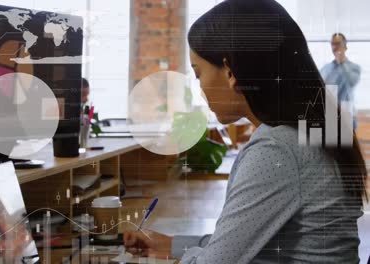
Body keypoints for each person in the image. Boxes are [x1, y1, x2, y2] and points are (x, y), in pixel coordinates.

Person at [124, 0, 367, 263]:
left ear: (230, 71)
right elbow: (248, 241)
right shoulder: (316, 130)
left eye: (198, 73)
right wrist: (172, 244)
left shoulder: (277, 149)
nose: (200, 87)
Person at [320, 33, 361, 129]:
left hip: (347, 114)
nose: (335, 47)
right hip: (329, 115)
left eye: (338, 43)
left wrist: (341, 61)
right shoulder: (325, 68)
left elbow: (352, 82)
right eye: (333, 44)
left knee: (346, 143)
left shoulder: (355, 68)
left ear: (345, 45)